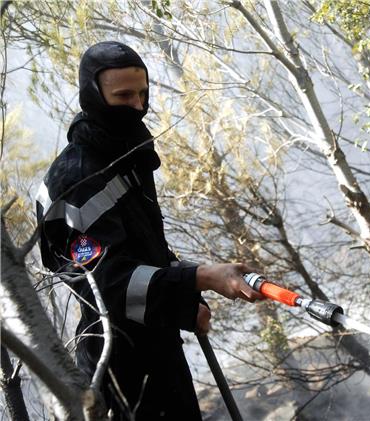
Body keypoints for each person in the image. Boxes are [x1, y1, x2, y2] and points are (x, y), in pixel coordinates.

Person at [35, 41, 263, 420]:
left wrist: (183, 292)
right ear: (93, 96)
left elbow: (144, 252)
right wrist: (201, 278)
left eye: (143, 94)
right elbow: (107, 284)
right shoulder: (75, 180)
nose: (138, 106)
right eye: (123, 95)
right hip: (117, 362)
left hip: (159, 349)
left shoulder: (123, 155)